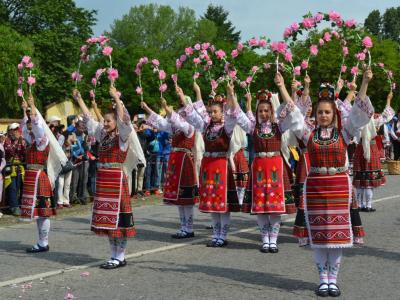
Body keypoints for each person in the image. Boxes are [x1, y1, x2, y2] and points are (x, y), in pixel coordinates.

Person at [290, 69, 374, 297]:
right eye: (320, 112)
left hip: (338, 186)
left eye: (327, 112)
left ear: (334, 114)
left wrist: (364, 82)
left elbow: (358, 114)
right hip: (316, 186)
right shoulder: (309, 134)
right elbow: (295, 119)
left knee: (336, 237)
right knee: (319, 235)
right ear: (315, 114)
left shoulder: (344, 132)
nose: (324, 115)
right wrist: (282, 88)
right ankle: (322, 279)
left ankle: (333, 280)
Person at [233, 73, 298, 253]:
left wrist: (284, 87)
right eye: (260, 110)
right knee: (261, 207)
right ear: (257, 112)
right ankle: (265, 239)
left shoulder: (280, 125)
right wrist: (231, 94)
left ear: (272, 111)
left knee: (275, 208)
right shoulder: (252, 127)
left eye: (266, 110)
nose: (263, 113)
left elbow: (292, 109)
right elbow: (237, 114)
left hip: (276, 166)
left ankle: (274, 240)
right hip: (260, 167)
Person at [74, 86, 135, 269]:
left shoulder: (122, 137)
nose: (106, 123)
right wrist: (80, 100)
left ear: (116, 122)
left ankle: (120, 256)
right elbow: (91, 122)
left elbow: (125, 121)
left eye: (109, 121)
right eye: (105, 121)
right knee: (107, 220)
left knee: (118, 219)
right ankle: (113, 255)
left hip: (116, 180)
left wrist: (117, 98)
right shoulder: (104, 135)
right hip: (104, 180)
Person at [182, 81, 239, 247]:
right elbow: (192, 116)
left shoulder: (226, 127)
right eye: (211, 111)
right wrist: (182, 97)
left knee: (223, 202)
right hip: (208, 165)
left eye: (215, 112)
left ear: (222, 113)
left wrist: (230, 93)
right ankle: (215, 234)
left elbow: (234, 115)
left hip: (221, 165)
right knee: (212, 202)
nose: (212, 114)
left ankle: (223, 234)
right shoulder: (206, 127)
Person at [142, 86, 198, 239]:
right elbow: (162, 124)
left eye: (183, 110)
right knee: (179, 199)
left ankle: (189, 227)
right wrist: (147, 108)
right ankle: (183, 226)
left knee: (186, 198)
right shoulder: (177, 128)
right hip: (176, 161)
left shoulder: (190, 127)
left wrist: (167, 108)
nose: (181, 113)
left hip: (185, 162)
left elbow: (179, 123)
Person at [20, 95, 56, 253]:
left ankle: (44, 242)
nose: (30, 128)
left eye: (32, 125)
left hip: (39, 177)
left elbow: (37, 125)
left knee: (43, 212)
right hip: (30, 176)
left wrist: (33, 106)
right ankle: (42, 242)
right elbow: (24, 130)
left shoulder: (42, 140)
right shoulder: (32, 140)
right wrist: (24, 111)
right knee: (38, 213)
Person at [353, 90, 394, 212]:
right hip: (371, 148)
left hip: (361, 148)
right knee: (369, 181)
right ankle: (368, 205)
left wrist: (354, 97)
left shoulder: (356, 120)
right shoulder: (374, 119)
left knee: (360, 180)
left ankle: (360, 204)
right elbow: (387, 115)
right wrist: (388, 99)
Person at [3, 122, 26, 215]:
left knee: (18, 188)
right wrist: (18, 143)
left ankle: (18, 205)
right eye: (15, 130)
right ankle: (14, 207)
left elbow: (24, 154)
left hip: (19, 167)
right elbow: (10, 152)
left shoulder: (21, 140)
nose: (17, 132)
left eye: (17, 130)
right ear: (11, 131)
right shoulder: (7, 140)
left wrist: (22, 144)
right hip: (10, 167)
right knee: (12, 188)